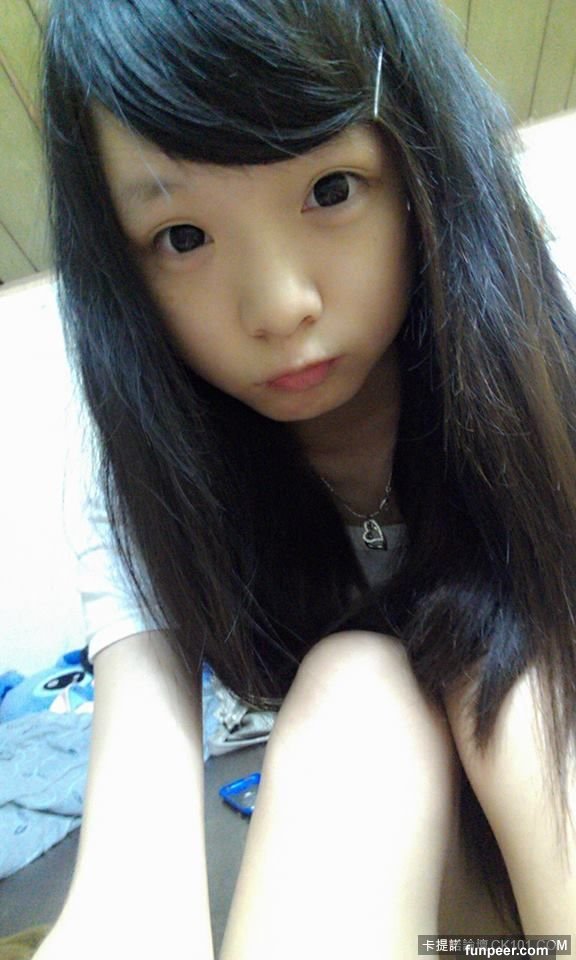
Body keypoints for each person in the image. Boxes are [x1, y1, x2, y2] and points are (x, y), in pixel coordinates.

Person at [36, 0, 576, 956]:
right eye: (183, 238)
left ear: (420, 163)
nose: (280, 305)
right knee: (355, 690)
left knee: (512, 673)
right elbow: (131, 866)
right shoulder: (148, 482)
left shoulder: (540, 378)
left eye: (331, 188)